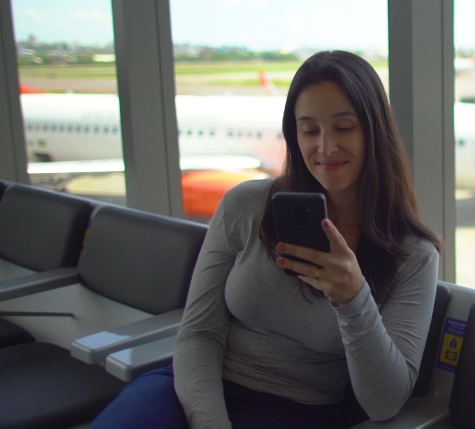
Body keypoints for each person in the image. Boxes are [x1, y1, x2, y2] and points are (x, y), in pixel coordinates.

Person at [91, 51, 442, 429]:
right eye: (310, 130)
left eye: (344, 127)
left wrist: (354, 299)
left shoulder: (413, 255)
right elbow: (198, 333)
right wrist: (209, 421)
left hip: (297, 410)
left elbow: (384, 403)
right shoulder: (245, 206)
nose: (325, 147)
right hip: (193, 390)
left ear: (375, 132)